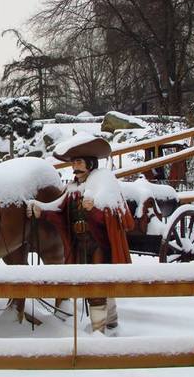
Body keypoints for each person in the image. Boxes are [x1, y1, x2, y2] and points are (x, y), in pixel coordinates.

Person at [27, 133, 134, 335]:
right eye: (74, 162)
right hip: (80, 244)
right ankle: (109, 322)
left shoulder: (103, 181)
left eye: (78, 162)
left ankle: (99, 330)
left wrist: (94, 208)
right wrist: (42, 209)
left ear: (90, 164)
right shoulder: (73, 187)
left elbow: (112, 213)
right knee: (94, 282)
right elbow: (59, 208)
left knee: (97, 283)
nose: (75, 166)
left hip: (99, 244)